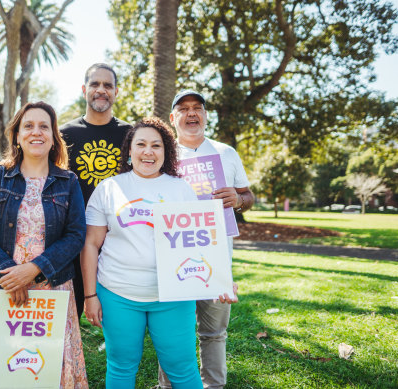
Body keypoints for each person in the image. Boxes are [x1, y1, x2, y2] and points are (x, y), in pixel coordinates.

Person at [0, 101, 88, 388]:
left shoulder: (68, 181)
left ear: (53, 136)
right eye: (29, 126)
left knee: (48, 369)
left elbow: (76, 235)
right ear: (18, 136)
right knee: (5, 367)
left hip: (53, 287)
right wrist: (10, 274)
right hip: (4, 287)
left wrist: (33, 269)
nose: (37, 132)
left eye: (44, 126)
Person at [81, 117, 203, 389]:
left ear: (166, 151)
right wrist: (90, 296)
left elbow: (200, 243)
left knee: (182, 368)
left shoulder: (181, 190)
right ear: (130, 150)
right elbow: (91, 244)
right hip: (117, 294)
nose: (149, 151)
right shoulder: (109, 188)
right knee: (121, 366)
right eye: (142, 144)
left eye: (156, 145)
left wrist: (219, 277)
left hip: (173, 296)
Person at [158, 90, 255, 389]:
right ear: (173, 118)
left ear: (205, 115)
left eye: (197, 108)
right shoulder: (162, 153)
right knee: (174, 333)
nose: (191, 114)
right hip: (173, 259)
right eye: (183, 109)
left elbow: (249, 195)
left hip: (217, 260)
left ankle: (214, 385)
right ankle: (168, 386)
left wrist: (238, 199)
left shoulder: (225, 153)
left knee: (214, 333)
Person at [60, 63, 131, 318]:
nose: (101, 90)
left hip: (118, 236)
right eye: (95, 84)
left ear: (116, 92)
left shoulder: (130, 134)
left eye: (108, 85)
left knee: (119, 313)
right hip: (73, 235)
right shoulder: (64, 134)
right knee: (69, 312)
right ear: (84, 89)